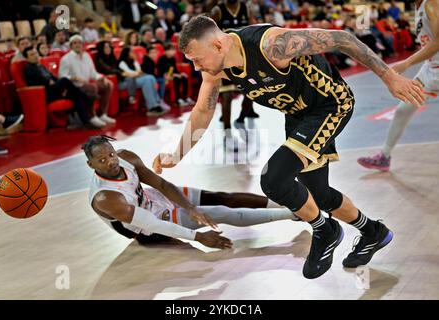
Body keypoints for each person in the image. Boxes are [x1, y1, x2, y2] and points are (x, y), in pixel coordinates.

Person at [152, 16, 426, 279]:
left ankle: (325, 230)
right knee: (318, 196)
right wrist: (177, 153)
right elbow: (202, 110)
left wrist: (389, 76)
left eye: (196, 60)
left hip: (330, 106)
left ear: (217, 45)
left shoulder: (272, 44)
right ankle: (373, 232)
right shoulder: (218, 68)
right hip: (298, 116)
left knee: (273, 178)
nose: (197, 67)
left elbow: (342, 39)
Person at [85, 135, 299, 248]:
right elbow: (151, 224)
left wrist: (190, 208)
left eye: (111, 155)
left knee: (222, 197)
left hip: (151, 199)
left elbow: (162, 185)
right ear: (90, 164)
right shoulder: (106, 198)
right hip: (147, 227)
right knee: (221, 212)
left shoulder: (126, 157)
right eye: (102, 160)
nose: (111, 162)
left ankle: (284, 203)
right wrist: (198, 237)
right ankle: (293, 214)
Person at [357, 0, 439, 172]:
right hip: (430, 68)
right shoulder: (418, 7)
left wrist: (406, 63)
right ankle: (384, 157)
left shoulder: (432, 3)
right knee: (403, 110)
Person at [23, 46, 103, 129]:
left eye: (35, 53)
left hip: (54, 89)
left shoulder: (40, 65)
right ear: (27, 58)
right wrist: (52, 83)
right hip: (45, 94)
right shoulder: (29, 68)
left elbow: (53, 78)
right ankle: (85, 96)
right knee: (65, 80)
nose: (35, 56)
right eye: (32, 55)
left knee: (74, 95)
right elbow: (39, 82)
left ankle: (86, 121)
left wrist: (61, 86)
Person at [211, 0, 259, 132]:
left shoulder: (245, 8)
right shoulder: (218, 10)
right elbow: (209, 32)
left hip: (243, 56)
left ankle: (241, 119)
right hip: (225, 58)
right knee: (227, 95)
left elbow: (253, 29)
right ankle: (227, 129)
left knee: (251, 93)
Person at [59, 35, 115, 126]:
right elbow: (62, 76)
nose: (77, 45)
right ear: (71, 45)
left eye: (79, 43)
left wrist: (101, 77)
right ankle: (92, 117)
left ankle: (102, 114)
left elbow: (93, 73)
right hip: (75, 87)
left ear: (82, 45)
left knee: (108, 84)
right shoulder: (66, 59)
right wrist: (74, 78)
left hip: (86, 84)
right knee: (92, 88)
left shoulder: (86, 56)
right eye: (75, 43)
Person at [117, 47, 168, 116]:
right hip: (125, 83)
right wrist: (137, 73)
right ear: (127, 54)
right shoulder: (121, 62)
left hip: (134, 80)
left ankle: (156, 103)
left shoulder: (134, 61)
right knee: (147, 79)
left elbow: (139, 71)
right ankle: (151, 107)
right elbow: (130, 73)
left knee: (151, 77)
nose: (133, 53)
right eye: (131, 52)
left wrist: (137, 73)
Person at [157, 42, 194, 107]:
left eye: (174, 50)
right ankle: (177, 99)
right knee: (177, 79)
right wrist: (175, 75)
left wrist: (181, 74)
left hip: (172, 75)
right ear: (166, 51)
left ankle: (185, 97)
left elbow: (175, 70)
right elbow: (161, 72)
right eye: (171, 50)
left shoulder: (173, 59)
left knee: (184, 77)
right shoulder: (161, 59)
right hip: (165, 77)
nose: (173, 52)